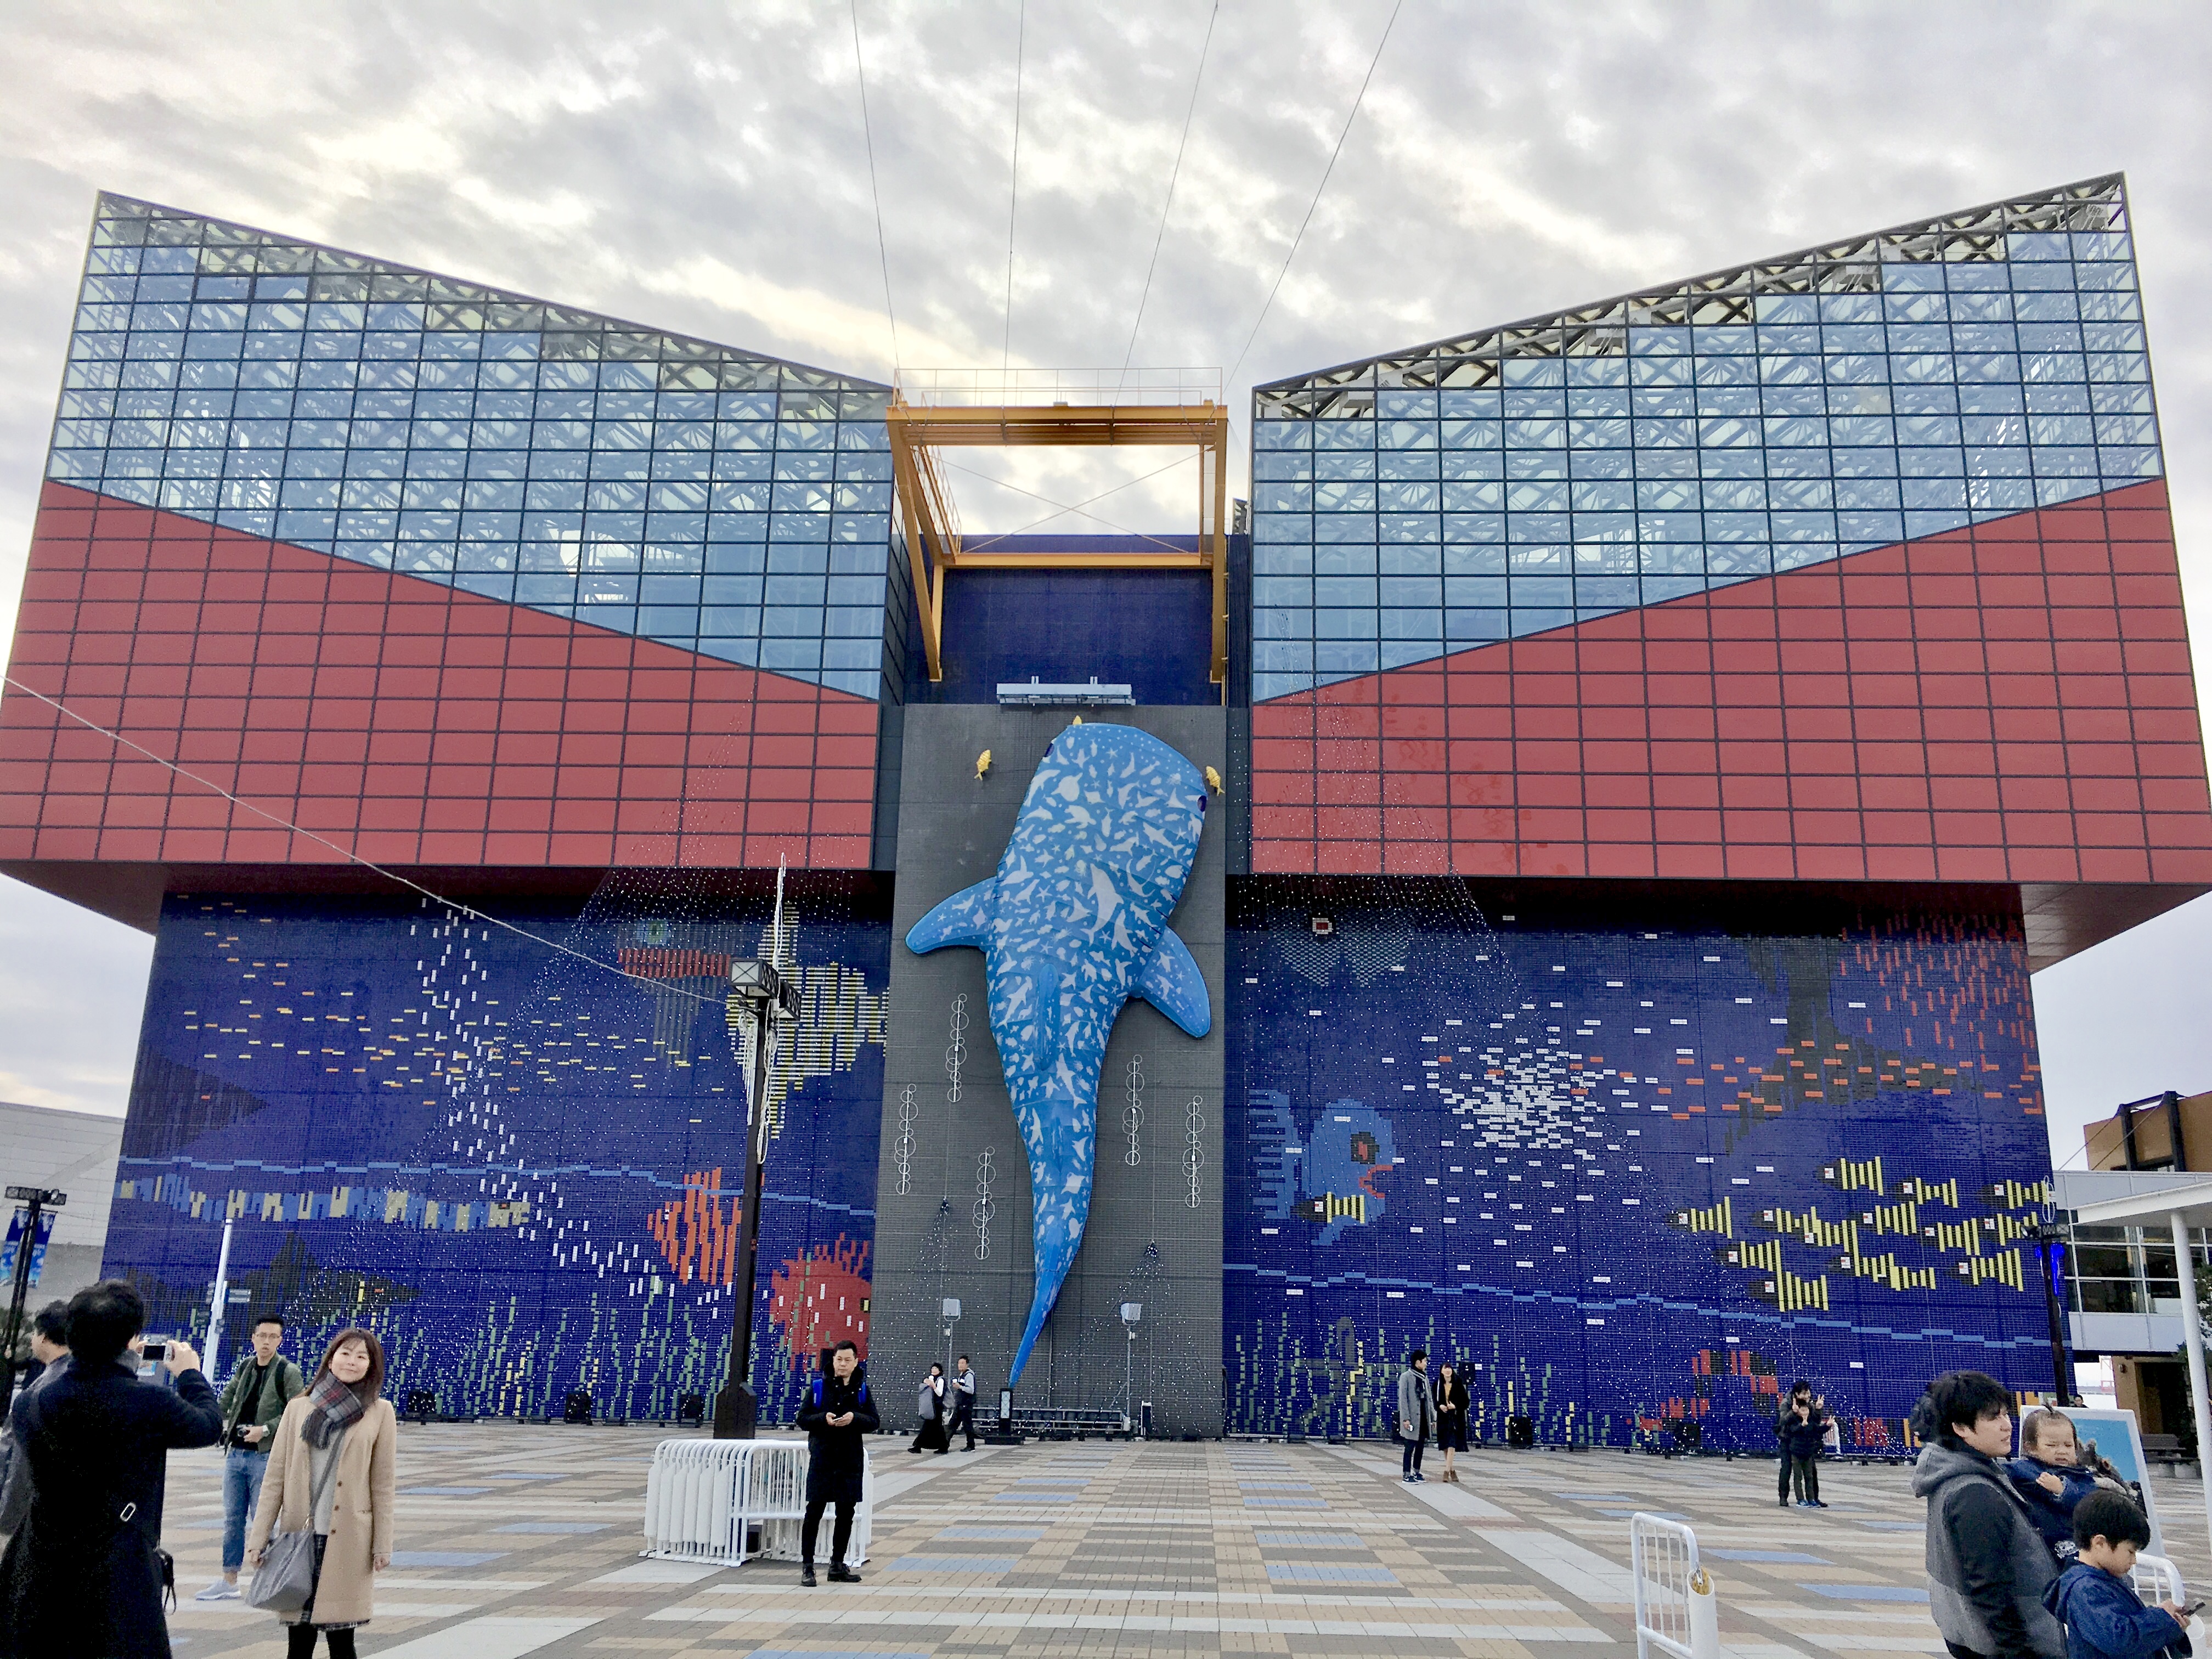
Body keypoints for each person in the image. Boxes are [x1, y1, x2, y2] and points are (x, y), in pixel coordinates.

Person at [0, 1279, 224, 1659]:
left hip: (39, 1565)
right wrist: (189, 1373)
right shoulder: (147, 1403)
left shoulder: (33, 1402)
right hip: (117, 1568)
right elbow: (208, 1425)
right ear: (131, 1337)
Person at [246, 1328, 397, 1659]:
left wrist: (382, 1544)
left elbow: (383, 1485)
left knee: (342, 1643)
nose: (352, 1362)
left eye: (362, 1357)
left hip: (348, 1540)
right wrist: (258, 1539)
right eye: (346, 1353)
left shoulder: (380, 1412)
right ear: (331, 1359)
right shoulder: (299, 1408)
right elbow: (274, 1480)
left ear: (371, 1366)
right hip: (300, 1538)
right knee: (298, 1644)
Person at [1911, 1369, 2066, 1659]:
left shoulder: (1958, 1474)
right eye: (1993, 1418)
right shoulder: (1974, 1493)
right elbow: (1988, 1586)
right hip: (2004, 1645)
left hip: (1968, 1636)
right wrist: (2017, 1651)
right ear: (1961, 1428)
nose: (2007, 1426)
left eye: (2006, 1415)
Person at [198, 1313, 306, 1601]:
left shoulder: (287, 1372)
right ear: (254, 1338)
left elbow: (299, 1411)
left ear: (280, 1340)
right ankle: (229, 1580)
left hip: (265, 1456)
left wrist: (266, 1429)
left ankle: (269, 1580)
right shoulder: (245, 1366)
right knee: (233, 1519)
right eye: (262, 1336)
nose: (267, 1342)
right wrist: (205, 1417)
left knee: (263, 1520)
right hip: (236, 1454)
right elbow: (227, 1399)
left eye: (273, 1337)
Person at [2042, 1489, 2191, 1659]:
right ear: (2100, 1543)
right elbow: (2120, 1640)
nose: (2134, 1560)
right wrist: (2161, 1619)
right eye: (2130, 1551)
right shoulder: (2084, 1589)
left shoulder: (2104, 1580)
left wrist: (2170, 1625)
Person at [795, 1340, 879, 1586]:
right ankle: (808, 1567)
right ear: (833, 1361)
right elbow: (802, 1418)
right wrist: (824, 1419)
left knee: (846, 1514)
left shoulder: (862, 1389)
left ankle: (837, 1565)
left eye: (847, 1360)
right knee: (814, 1512)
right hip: (823, 1458)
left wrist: (855, 1418)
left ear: (855, 1362)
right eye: (838, 1360)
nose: (842, 1365)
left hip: (850, 1460)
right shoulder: (819, 1388)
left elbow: (874, 1421)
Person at [2012, 1407, 2123, 1565]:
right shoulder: (2024, 1469)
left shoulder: (2081, 1476)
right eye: (2052, 1445)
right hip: (2040, 1545)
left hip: (2074, 1542)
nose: (2062, 1451)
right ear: (2030, 1448)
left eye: (2068, 1445)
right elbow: (2011, 1474)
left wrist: (2064, 1490)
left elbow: (2090, 1503)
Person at [0, 1302, 70, 1535]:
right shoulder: (80, 1378)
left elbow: (17, 1461)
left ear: (43, 1337)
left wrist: (7, 1520)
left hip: (33, 1519)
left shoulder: (42, 1392)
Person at [1778, 1381, 1833, 1509]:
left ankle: (1813, 1498)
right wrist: (1793, 1412)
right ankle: (1783, 1497)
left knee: (1811, 1471)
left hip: (1804, 1443)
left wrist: (1818, 1410)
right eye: (1804, 1393)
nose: (1808, 1396)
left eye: (1808, 1393)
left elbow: (1814, 1423)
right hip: (1788, 1440)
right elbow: (1782, 1421)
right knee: (1787, 1468)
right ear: (1797, 1394)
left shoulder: (1810, 1404)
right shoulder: (1787, 1403)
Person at [1397, 1349, 1431, 1483]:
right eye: (1425, 1361)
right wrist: (1406, 1418)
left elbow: (1429, 1399)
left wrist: (1432, 1418)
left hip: (1423, 1416)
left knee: (1421, 1445)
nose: (1426, 1363)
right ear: (1418, 1362)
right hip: (1412, 1417)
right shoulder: (1406, 1377)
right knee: (1410, 1446)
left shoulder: (1424, 1378)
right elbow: (1403, 1399)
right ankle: (1406, 1474)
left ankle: (1417, 1471)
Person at [1434, 1360, 1469, 1483]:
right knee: (1445, 1446)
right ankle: (1453, 1471)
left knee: (1452, 1444)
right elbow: (1434, 1401)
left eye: (1450, 1368)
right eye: (1445, 1368)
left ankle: (1446, 1472)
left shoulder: (1458, 1383)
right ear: (1441, 1371)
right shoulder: (1437, 1385)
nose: (1448, 1370)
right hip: (1443, 1418)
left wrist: (1456, 1406)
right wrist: (1440, 1406)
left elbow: (1466, 1402)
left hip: (1455, 1419)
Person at [911, 1363, 950, 1454]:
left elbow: (940, 1394)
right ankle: (943, 1447)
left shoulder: (941, 1380)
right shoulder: (931, 1378)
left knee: (930, 1427)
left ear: (940, 1371)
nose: (934, 1370)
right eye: (933, 1368)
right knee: (936, 1428)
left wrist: (933, 1385)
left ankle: (918, 1446)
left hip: (937, 1408)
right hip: (931, 1407)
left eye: (936, 1368)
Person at [949, 1356, 977, 1452]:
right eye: (959, 1363)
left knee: (967, 1425)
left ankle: (971, 1445)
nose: (960, 1365)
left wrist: (960, 1387)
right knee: (953, 1424)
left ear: (967, 1364)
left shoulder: (969, 1375)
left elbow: (971, 1390)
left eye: (962, 1363)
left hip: (966, 1404)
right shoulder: (963, 1374)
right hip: (961, 1404)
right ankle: (944, 1443)